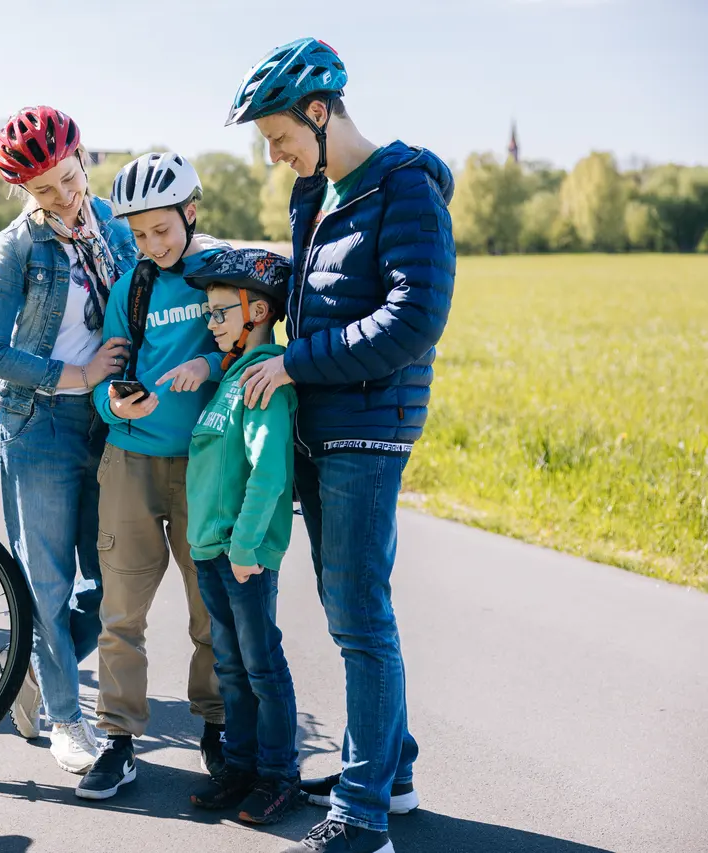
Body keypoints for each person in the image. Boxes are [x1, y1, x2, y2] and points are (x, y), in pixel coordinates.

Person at [225, 37, 455, 853]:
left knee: (359, 616)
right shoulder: (317, 195)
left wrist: (293, 362)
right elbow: (308, 295)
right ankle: (391, 772)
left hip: (368, 424)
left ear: (320, 112)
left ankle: (362, 818)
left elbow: (412, 320)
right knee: (347, 605)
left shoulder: (406, 191)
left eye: (281, 136)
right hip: (321, 424)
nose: (277, 155)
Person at [0, 106, 137, 774]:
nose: (64, 198)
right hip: (38, 427)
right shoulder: (20, 245)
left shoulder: (119, 233)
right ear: (25, 194)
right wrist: (75, 371)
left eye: (68, 179)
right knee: (48, 582)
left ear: (85, 161)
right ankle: (68, 719)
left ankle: (36, 664)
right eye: (44, 190)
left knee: (112, 582)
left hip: (109, 426)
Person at [75, 152, 229, 801]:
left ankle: (218, 729)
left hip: (204, 462)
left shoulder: (220, 277)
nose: (152, 244)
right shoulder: (132, 289)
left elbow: (251, 350)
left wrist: (207, 367)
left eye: (163, 229)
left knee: (212, 609)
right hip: (130, 461)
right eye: (139, 234)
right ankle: (118, 740)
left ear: (191, 213)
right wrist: (115, 403)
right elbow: (107, 376)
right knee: (121, 612)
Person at [179, 248, 303, 827]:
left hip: (242, 554)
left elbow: (269, 471)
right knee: (230, 665)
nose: (213, 321)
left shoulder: (262, 376)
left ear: (257, 310)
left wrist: (248, 547)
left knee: (261, 666)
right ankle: (240, 766)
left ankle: (279, 776)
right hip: (211, 550)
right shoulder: (229, 376)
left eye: (220, 311)